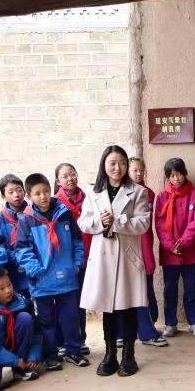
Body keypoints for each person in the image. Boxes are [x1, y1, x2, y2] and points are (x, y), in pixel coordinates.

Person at [78, 146, 152, 377]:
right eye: (112, 163)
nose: (117, 168)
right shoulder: (93, 192)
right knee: (107, 309)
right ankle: (110, 355)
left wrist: (118, 222)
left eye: (122, 163)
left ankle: (129, 355)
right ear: (104, 165)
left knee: (128, 307)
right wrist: (100, 222)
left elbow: (143, 223)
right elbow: (83, 222)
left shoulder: (138, 191)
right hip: (102, 258)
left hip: (127, 258)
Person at [15, 173, 87, 370]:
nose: (43, 197)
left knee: (70, 317)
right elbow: (22, 250)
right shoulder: (26, 220)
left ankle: (73, 351)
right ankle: (51, 355)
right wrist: (35, 270)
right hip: (42, 280)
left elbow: (77, 241)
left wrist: (77, 262)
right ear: (29, 196)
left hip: (67, 277)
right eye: (37, 193)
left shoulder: (64, 213)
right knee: (46, 321)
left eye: (46, 191)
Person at [155, 158, 195, 338]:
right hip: (170, 253)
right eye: (172, 176)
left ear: (185, 173)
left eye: (179, 174)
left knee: (192, 288)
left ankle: (194, 322)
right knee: (170, 290)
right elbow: (160, 224)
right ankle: (170, 323)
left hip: (190, 251)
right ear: (168, 177)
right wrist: (171, 245)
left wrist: (183, 242)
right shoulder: (162, 197)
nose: (176, 179)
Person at [0, 267, 42, 387]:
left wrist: (33, 356)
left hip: (17, 349)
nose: (8, 290)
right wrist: (14, 360)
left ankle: (20, 369)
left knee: (25, 318)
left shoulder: (22, 302)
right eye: (1, 288)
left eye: (9, 284)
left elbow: (36, 334)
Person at [127, 157, 168, 347]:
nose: (138, 174)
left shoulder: (149, 193)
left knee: (145, 288)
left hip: (144, 246)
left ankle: (147, 329)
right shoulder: (121, 193)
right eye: (134, 170)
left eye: (141, 170)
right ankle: (125, 332)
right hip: (126, 249)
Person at [54, 163, 91, 355]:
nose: (70, 178)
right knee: (65, 302)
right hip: (64, 260)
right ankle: (63, 341)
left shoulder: (88, 198)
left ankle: (80, 339)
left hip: (86, 256)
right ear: (58, 181)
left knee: (81, 300)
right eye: (65, 176)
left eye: (73, 174)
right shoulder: (55, 203)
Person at [0, 175, 32, 301]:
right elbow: (0, 247)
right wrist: (19, 258)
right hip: (12, 274)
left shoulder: (33, 213)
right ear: (3, 196)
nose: (16, 194)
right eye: (11, 192)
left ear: (24, 192)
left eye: (19, 190)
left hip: (34, 269)